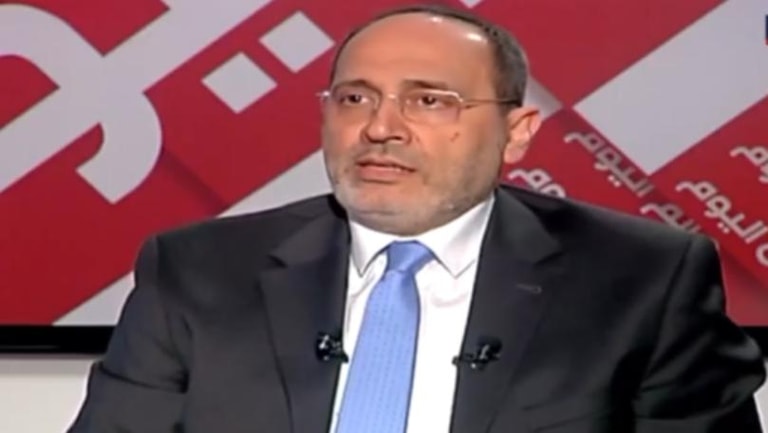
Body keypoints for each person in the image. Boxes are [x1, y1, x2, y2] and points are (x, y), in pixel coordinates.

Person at [68, 4, 766, 433]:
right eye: (355, 98)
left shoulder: (644, 281)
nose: (381, 128)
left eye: (429, 101)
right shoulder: (198, 270)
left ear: (517, 133)